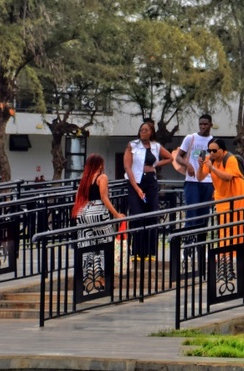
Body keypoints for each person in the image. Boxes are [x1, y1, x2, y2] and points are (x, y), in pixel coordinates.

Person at [71, 154, 125, 289]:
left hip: (83, 213)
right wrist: (116, 214)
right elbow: (104, 197)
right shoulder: (102, 177)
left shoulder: (84, 180)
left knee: (85, 246)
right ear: (100, 164)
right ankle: (102, 279)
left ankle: (84, 281)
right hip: (98, 213)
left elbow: (78, 198)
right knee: (106, 244)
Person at [123, 120, 173, 260]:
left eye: (146, 130)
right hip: (136, 182)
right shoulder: (132, 145)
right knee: (138, 215)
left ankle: (150, 252)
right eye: (141, 129)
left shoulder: (155, 146)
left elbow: (170, 157)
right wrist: (137, 188)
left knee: (152, 216)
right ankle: (136, 251)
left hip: (150, 181)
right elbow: (127, 167)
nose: (143, 132)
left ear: (151, 132)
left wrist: (155, 165)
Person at [197, 137, 244, 246]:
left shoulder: (230, 159)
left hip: (236, 193)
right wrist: (200, 167)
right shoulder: (209, 159)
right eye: (209, 151)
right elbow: (200, 178)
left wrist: (213, 168)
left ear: (222, 150)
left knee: (235, 224)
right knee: (222, 225)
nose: (212, 153)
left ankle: (236, 252)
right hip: (221, 195)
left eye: (214, 151)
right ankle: (224, 252)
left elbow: (228, 177)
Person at [175, 114, 216, 237]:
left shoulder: (213, 141)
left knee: (204, 215)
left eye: (205, 124)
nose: (203, 126)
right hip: (192, 181)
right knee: (191, 213)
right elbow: (178, 157)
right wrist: (188, 165)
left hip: (208, 182)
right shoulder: (190, 138)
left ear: (211, 125)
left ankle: (201, 246)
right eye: (201, 124)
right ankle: (188, 245)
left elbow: (213, 161)